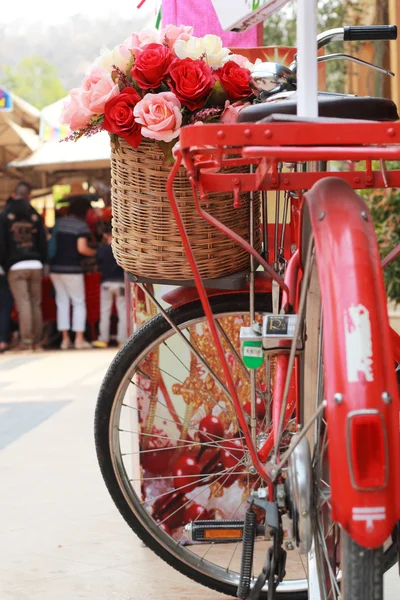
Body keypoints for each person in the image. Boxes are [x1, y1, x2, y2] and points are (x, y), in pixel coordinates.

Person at [0, 181, 48, 351]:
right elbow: (43, 241)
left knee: (24, 304)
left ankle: (27, 342)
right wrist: (43, 261)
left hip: (16, 265)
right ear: (28, 195)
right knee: (35, 303)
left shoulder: (5, 215)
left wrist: (3, 264)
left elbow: (2, 243)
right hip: (35, 263)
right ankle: (36, 342)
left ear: (14, 194)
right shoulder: (34, 215)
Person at [49, 196, 96, 350]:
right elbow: (82, 248)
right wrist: (96, 253)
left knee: (61, 302)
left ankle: (64, 339)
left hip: (55, 269)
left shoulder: (59, 223)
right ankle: (79, 339)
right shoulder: (81, 226)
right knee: (78, 302)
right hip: (72, 270)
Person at [92, 227, 127, 349]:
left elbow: (97, 261)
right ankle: (122, 340)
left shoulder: (102, 249)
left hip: (106, 283)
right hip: (121, 283)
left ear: (106, 235)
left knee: (105, 311)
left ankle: (103, 339)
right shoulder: (123, 248)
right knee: (123, 311)